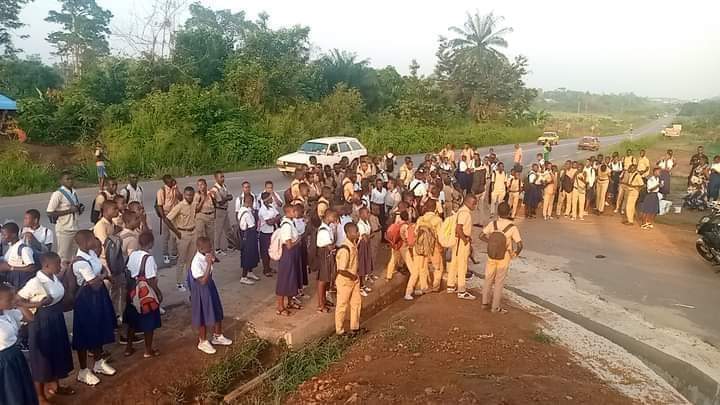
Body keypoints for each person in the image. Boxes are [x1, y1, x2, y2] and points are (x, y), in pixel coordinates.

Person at [16, 252, 74, 403]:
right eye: (57, 264)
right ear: (47, 265)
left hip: (56, 320)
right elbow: (17, 300)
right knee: (42, 359)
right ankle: (40, 396)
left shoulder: (53, 278)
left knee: (57, 354)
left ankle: (56, 385)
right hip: (42, 323)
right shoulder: (35, 282)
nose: (60, 266)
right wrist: (37, 304)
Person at [71, 230, 117, 386]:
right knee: (85, 333)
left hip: (97, 296)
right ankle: (83, 371)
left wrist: (101, 275)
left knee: (99, 327)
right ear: (84, 242)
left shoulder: (90, 253)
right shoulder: (80, 262)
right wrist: (102, 276)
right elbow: (95, 283)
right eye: (91, 239)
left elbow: (101, 270)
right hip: (86, 300)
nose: (94, 241)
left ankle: (98, 362)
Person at [188, 237, 232, 354]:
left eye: (211, 246)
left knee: (217, 309)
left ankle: (217, 336)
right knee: (203, 314)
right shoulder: (196, 262)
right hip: (201, 289)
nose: (211, 249)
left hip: (210, 285)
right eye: (208, 247)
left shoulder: (206, 254)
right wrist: (208, 264)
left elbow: (214, 261)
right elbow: (202, 281)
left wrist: (213, 259)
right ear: (200, 248)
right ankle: (202, 341)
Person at [124, 232, 162, 358]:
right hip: (145, 294)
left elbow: (128, 271)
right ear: (151, 243)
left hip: (132, 292)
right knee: (149, 322)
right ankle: (148, 349)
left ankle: (128, 348)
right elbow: (151, 279)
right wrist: (158, 292)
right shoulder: (148, 258)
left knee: (132, 322)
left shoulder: (133, 255)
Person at [479, 202, 523, 313]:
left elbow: (481, 236)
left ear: (498, 212)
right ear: (509, 212)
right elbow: (520, 245)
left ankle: (484, 303)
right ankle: (495, 307)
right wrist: (515, 254)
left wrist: (490, 242)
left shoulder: (492, 224)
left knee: (488, 279)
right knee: (499, 282)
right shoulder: (512, 227)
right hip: (504, 256)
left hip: (491, 255)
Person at [0, 283, 39, 405]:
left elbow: (30, 318)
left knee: (21, 390)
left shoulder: (8, 313)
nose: (13, 300)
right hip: (3, 362)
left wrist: (20, 304)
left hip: (15, 357)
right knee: (10, 393)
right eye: (9, 299)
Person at [46, 172, 82, 267]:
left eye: (71, 179)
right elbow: (49, 212)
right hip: (64, 229)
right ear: (61, 181)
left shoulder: (74, 192)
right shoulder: (58, 194)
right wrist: (69, 211)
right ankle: (62, 276)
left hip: (75, 227)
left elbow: (75, 208)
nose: (70, 181)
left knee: (75, 255)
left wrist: (79, 209)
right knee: (63, 256)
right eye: (67, 179)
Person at [165, 186, 197, 292]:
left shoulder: (194, 203)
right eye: (188, 195)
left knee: (191, 259)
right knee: (181, 260)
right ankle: (179, 282)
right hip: (183, 233)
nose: (190, 197)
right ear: (184, 195)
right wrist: (176, 232)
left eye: (191, 195)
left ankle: (189, 279)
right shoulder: (179, 206)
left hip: (193, 232)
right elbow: (167, 219)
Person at [447, 195, 477, 300]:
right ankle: (462, 290)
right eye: (474, 203)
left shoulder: (460, 211)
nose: (475, 206)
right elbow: (459, 228)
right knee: (462, 265)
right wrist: (465, 240)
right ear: (468, 202)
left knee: (454, 264)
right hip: (461, 242)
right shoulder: (465, 214)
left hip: (457, 241)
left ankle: (450, 285)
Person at [335, 222, 362, 336]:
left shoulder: (353, 244)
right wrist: (353, 276)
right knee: (342, 305)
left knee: (356, 302)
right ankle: (339, 331)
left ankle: (354, 327)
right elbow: (341, 269)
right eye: (355, 232)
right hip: (345, 281)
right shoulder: (345, 249)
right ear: (348, 233)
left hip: (354, 279)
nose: (358, 234)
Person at [411, 199, 443, 296]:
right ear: (434, 208)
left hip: (421, 247)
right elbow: (440, 236)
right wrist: (442, 247)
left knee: (422, 267)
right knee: (438, 267)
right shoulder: (438, 220)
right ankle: (435, 286)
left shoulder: (420, 219)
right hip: (434, 247)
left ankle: (423, 286)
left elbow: (415, 233)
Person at [276, 205, 302, 316]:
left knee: (293, 277)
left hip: (293, 254)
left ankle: (290, 301)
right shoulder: (286, 225)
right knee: (285, 278)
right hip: (288, 254)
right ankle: (280, 306)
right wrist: (298, 240)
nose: (296, 212)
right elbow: (289, 245)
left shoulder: (292, 222)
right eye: (294, 211)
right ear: (288, 212)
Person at [2, 222, 38, 289]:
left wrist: (11, 268)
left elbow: (32, 268)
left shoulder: (24, 249)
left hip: (20, 281)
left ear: (13, 235)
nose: (3, 237)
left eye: (4, 235)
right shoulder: (11, 246)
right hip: (11, 278)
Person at [316, 209, 338, 313]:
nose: (335, 219)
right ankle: (320, 304)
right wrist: (333, 246)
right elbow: (330, 246)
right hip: (325, 255)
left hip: (328, 255)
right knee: (322, 280)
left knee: (327, 279)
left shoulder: (328, 228)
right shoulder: (323, 230)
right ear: (328, 216)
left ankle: (324, 300)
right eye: (334, 217)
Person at [156, 175, 181, 264]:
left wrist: (176, 188)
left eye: (172, 181)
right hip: (167, 214)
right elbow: (160, 206)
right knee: (166, 236)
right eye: (170, 182)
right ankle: (165, 254)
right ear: (166, 182)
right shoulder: (161, 191)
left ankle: (174, 253)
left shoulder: (174, 188)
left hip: (175, 213)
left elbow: (181, 198)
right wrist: (164, 218)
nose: (172, 182)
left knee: (175, 234)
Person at [237, 194, 261, 285]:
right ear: (249, 202)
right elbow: (251, 226)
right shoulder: (246, 213)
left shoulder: (243, 210)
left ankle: (250, 272)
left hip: (247, 236)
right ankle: (243, 276)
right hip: (248, 236)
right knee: (247, 256)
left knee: (252, 255)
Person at [210, 171, 233, 256]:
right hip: (219, 210)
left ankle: (231, 245)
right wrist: (228, 198)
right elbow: (220, 201)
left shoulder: (223, 186)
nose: (223, 179)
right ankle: (217, 249)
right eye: (221, 177)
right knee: (218, 231)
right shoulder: (215, 189)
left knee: (228, 229)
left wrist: (227, 197)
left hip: (224, 210)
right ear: (216, 178)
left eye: (223, 177)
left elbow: (225, 197)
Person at [258, 192, 281, 277]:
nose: (272, 199)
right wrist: (275, 218)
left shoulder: (271, 207)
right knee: (265, 252)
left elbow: (279, 215)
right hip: (265, 233)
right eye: (270, 198)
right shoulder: (262, 210)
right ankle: (266, 269)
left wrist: (274, 219)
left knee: (271, 249)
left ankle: (269, 267)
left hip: (272, 232)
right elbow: (269, 222)